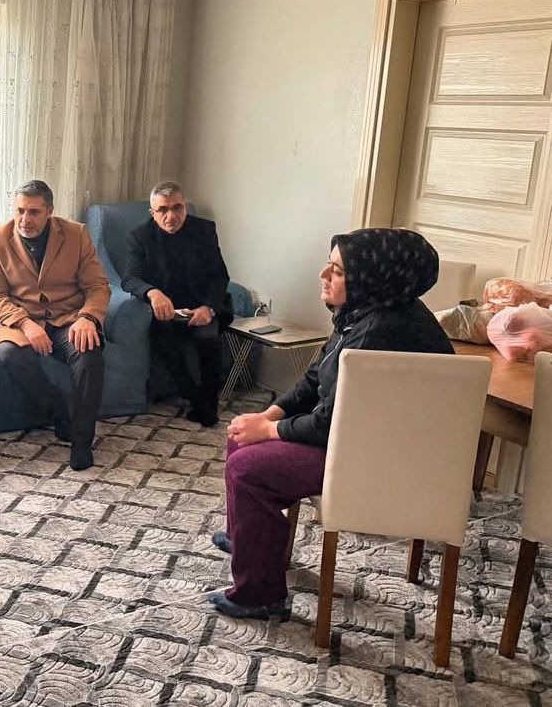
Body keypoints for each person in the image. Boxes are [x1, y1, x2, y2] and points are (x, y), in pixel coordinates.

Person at [207, 227, 453, 620]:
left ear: (370, 278)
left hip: (377, 458)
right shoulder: (364, 311)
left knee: (247, 468)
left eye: (337, 271)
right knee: (242, 436)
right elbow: (313, 379)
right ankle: (248, 543)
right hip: (357, 438)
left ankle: (260, 596)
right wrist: (270, 415)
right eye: (329, 265)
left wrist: (269, 431)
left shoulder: (377, 333)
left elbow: (329, 422)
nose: (323, 275)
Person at [0, 180, 110, 471]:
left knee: (89, 353)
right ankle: (60, 415)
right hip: (22, 319)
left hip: (69, 317)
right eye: (20, 211)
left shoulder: (76, 233)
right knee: (10, 355)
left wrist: (88, 318)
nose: (24, 219)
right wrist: (25, 323)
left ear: (49, 211)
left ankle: (81, 443)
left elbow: (97, 285)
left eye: (33, 212)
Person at [121, 181, 232, 426]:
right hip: (167, 310)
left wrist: (208, 308)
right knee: (164, 341)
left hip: (202, 305)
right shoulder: (139, 237)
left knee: (208, 338)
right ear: (152, 213)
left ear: (185, 207)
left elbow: (219, 276)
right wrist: (152, 293)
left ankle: (209, 403)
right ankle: (197, 400)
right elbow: (130, 279)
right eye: (162, 209)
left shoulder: (204, 230)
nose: (171, 216)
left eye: (177, 208)